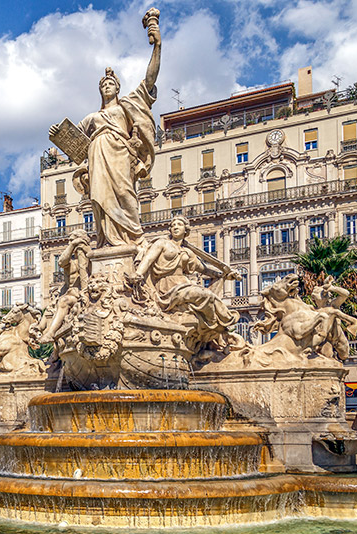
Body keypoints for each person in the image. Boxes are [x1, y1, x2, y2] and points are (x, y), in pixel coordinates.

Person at [49, 9, 161, 247]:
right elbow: (73, 140)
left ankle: (132, 238)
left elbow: (149, 80)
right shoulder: (92, 118)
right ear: (100, 90)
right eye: (104, 84)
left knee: (125, 196)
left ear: (117, 88)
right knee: (99, 202)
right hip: (96, 156)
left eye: (111, 83)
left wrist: (157, 45)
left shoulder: (127, 106)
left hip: (120, 154)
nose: (107, 86)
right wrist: (57, 139)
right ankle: (106, 241)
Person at [131, 216, 240, 348]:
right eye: (173, 225)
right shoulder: (162, 243)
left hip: (183, 283)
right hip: (167, 286)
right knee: (206, 295)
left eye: (179, 225)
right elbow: (148, 260)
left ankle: (215, 326)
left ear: (186, 230)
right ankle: (223, 321)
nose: (175, 227)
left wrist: (225, 275)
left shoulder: (187, 252)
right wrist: (138, 274)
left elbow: (204, 269)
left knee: (207, 295)